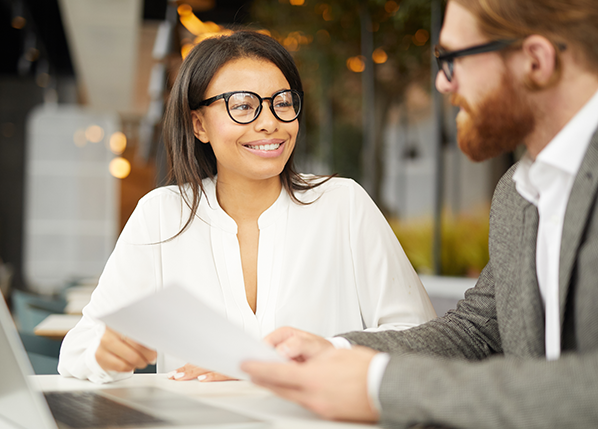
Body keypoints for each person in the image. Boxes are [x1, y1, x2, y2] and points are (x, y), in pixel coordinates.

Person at [241, 0, 598, 427]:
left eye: (452, 60)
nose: (442, 84)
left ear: (536, 61)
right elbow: (477, 332)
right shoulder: (519, 193)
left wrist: (379, 384)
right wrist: (337, 353)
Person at [57, 31, 437, 384]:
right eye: (243, 106)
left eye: (283, 103)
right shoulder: (161, 215)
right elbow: (78, 350)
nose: (270, 122)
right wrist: (105, 354)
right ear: (199, 125)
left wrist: (269, 365)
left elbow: (421, 339)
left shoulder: (343, 204)